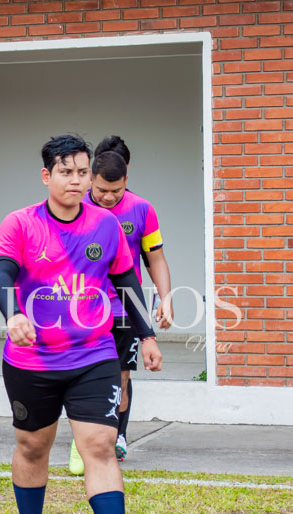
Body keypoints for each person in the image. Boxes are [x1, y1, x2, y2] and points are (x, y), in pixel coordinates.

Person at [0, 135, 162, 514]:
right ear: (47, 176)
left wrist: (147, 336)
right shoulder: (20, 223)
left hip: (94, 353)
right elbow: (1, 271)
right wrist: (13, 314)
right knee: (32, 446)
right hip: (32, 360)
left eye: (82, 171)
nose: (77, 180)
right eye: (66, 171)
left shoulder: (105, 225)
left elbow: (127, 281)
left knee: (100, 446)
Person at [67, 137, 173, 475]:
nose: (108, 198)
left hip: (125, 309)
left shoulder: (142, 210)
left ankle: (115, 436)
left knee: (120, 379)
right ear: (90, 180)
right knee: (81, 375)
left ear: (126, 179)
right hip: (82, 310)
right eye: (101, 191)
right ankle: (85, 438)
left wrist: (164, 298)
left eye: (115, 191)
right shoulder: (75, 206)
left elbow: (155, 259)